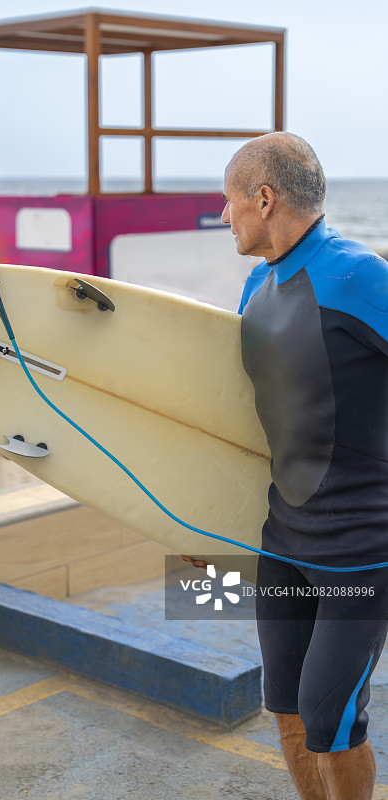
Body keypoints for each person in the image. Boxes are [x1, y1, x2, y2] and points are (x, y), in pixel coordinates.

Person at [183, 132, 388, 800]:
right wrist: (203, 524)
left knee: (332, 721)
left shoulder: (358, 276)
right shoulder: (256, 285)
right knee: (289, 710)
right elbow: (249, 419)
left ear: (263, 199)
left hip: (363, 548)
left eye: (230, 200)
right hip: (284, 543)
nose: (223, 215)